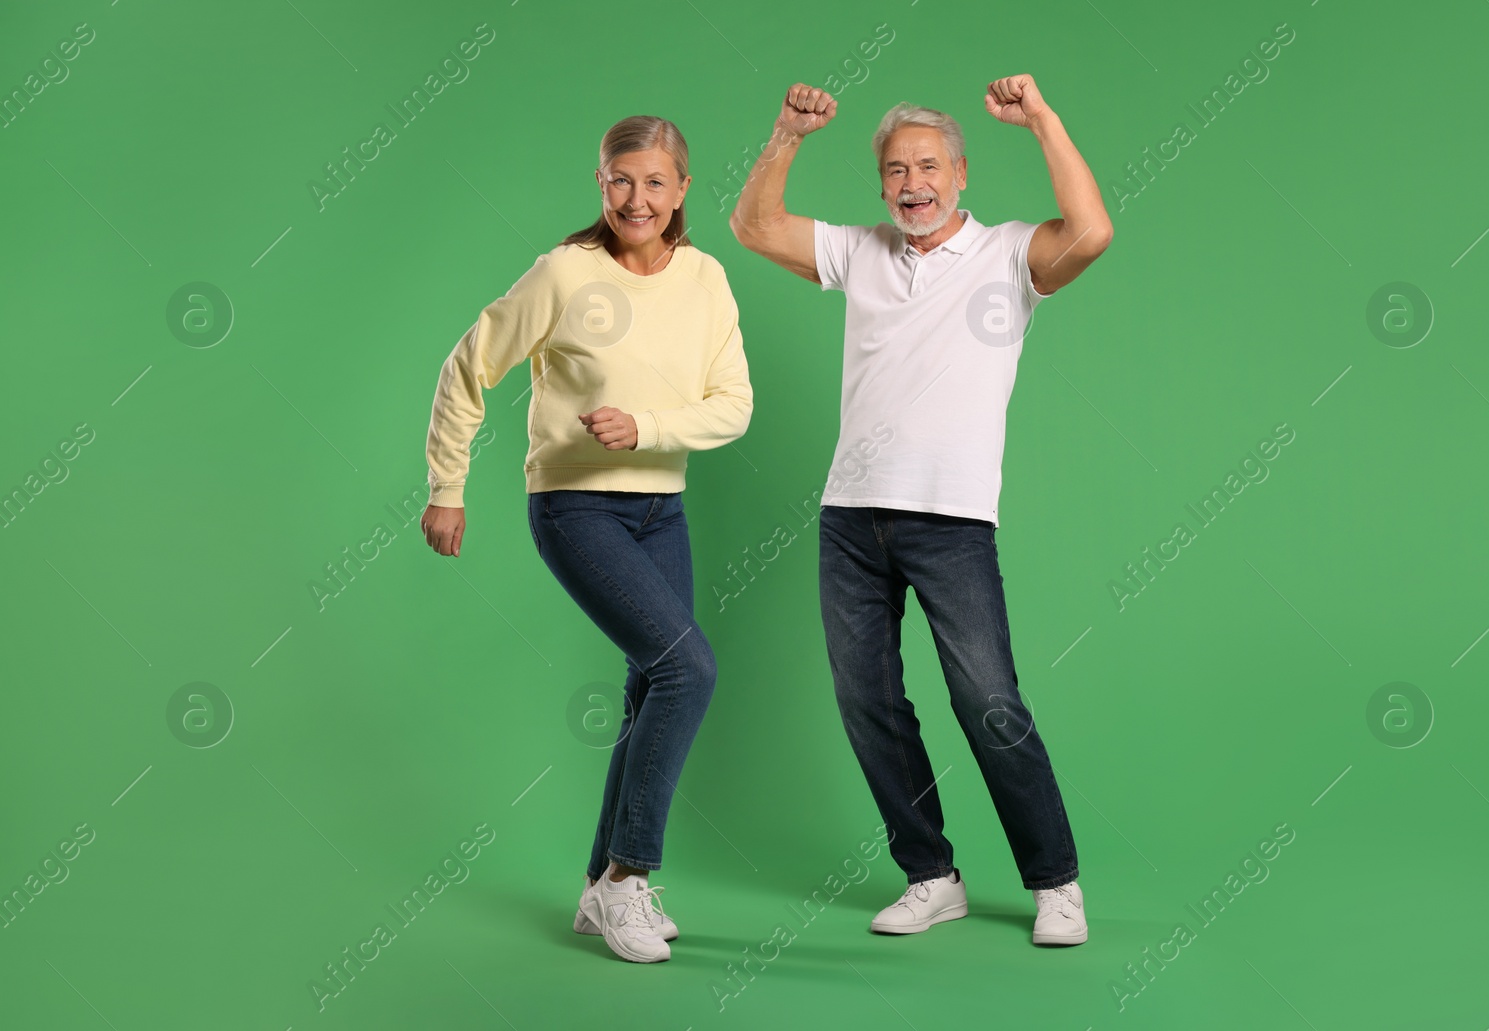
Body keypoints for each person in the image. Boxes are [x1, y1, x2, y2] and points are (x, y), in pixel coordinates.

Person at [728, 76, 1112, 946]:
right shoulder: (860, 251)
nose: (913, 183)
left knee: (988, 700)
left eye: (929, 165)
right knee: (866, 697)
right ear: (881, 185)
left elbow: (1091, 231)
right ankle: (931, 874)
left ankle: (1055, 881)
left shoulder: (1009, 255)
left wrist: (1045, 119)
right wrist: (787, 133)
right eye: (897, 169)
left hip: (951, 518)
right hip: (850, 516)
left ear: (962, 173)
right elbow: (753, 226)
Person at [420, 115, 753, 964]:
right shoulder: (565, 274)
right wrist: (447, 486)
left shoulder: (708, 278)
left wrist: (644, 425)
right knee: (689, 668)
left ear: (682, 190)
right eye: (619, 180)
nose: (635, 198)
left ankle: (596, 890)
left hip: (662, 507)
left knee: (653, 686)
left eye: (654, 183)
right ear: (599, 185)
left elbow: (733, 405)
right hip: (575, 507)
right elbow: (468, 365)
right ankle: (628, 877)